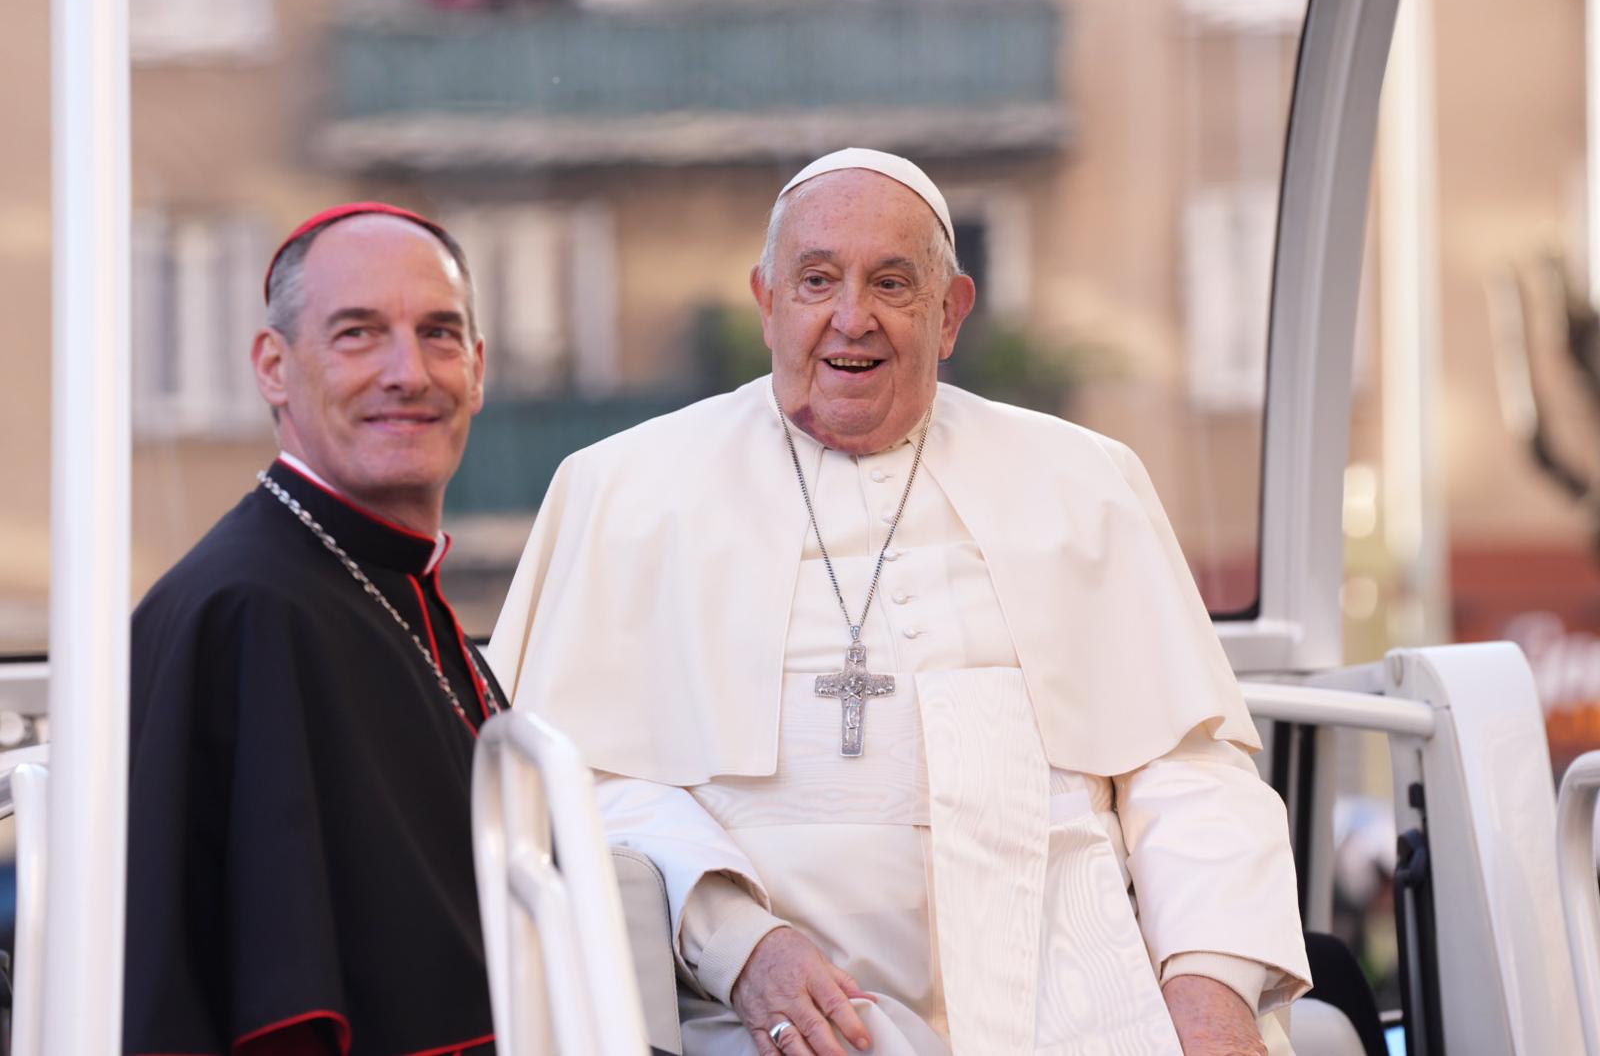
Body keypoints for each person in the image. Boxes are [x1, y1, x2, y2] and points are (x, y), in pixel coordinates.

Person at [488, 149, 1312, 1056]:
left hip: (1078, 997)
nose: (853, 318)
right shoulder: (627, 489)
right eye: (816, 280)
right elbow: (577, 779)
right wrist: (740, 942)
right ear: (766, 302)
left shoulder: (1087, 480)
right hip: (778, 1017)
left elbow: (1189, 771)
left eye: (892, 282)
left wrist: (1209, 992)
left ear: (951, 312)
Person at [124, 204, 505, 1056]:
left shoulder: (400, 590)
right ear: (274, 367)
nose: (408, 372)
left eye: (439, 334)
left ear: (477, 370)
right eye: (358, 334)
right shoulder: (251, 611)